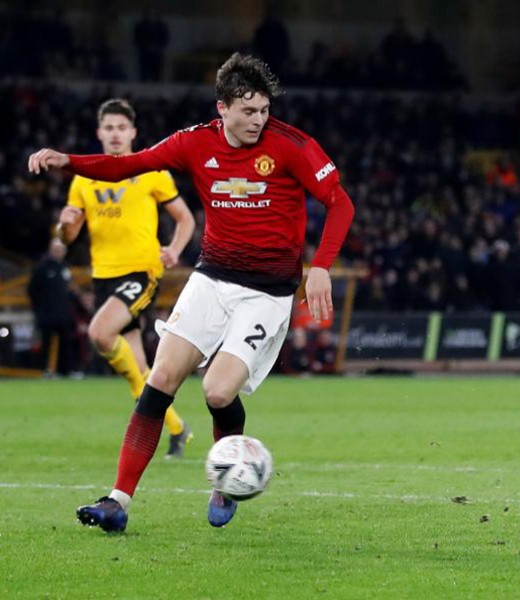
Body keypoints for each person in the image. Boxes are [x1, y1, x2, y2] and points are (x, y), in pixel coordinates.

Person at [29, 53, 355, 532]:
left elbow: (340, 203)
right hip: (212, 278)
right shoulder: (193, 143)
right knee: (160, 379)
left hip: (266, 292)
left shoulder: (291, 146)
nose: (258, 120)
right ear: (222, 107)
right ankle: (117, 501)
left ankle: (226, 481)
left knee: (217, 390)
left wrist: (321, 266)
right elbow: (129, 166)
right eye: (248, 111)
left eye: (264, 110)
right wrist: (68, 163)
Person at [58, 98, 196, 458]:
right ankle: (178, 429)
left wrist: (175, 249)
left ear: (133, 132)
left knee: (99, 333)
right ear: (99, 133)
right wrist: (65, 225)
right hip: (103, 275)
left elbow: (186, 219)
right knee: (137, 369)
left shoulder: (152, 170)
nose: (115, 134)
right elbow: (66, 239)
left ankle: (162, 422)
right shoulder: (84, 178)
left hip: (142, 271)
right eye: (109, 128)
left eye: (122, 128)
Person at [27, 238, 77, 376]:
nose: (58, 252)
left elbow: (69, 290)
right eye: (56, 249)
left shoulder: (65, 268)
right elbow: (32, 290)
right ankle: (45, 371)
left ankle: (66, 371)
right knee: (45, 344)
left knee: (66, 344)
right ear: (50, 250)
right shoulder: (41, 268)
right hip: (46, 314)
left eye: (60, 249)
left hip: (63, 313)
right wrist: (39, 308)